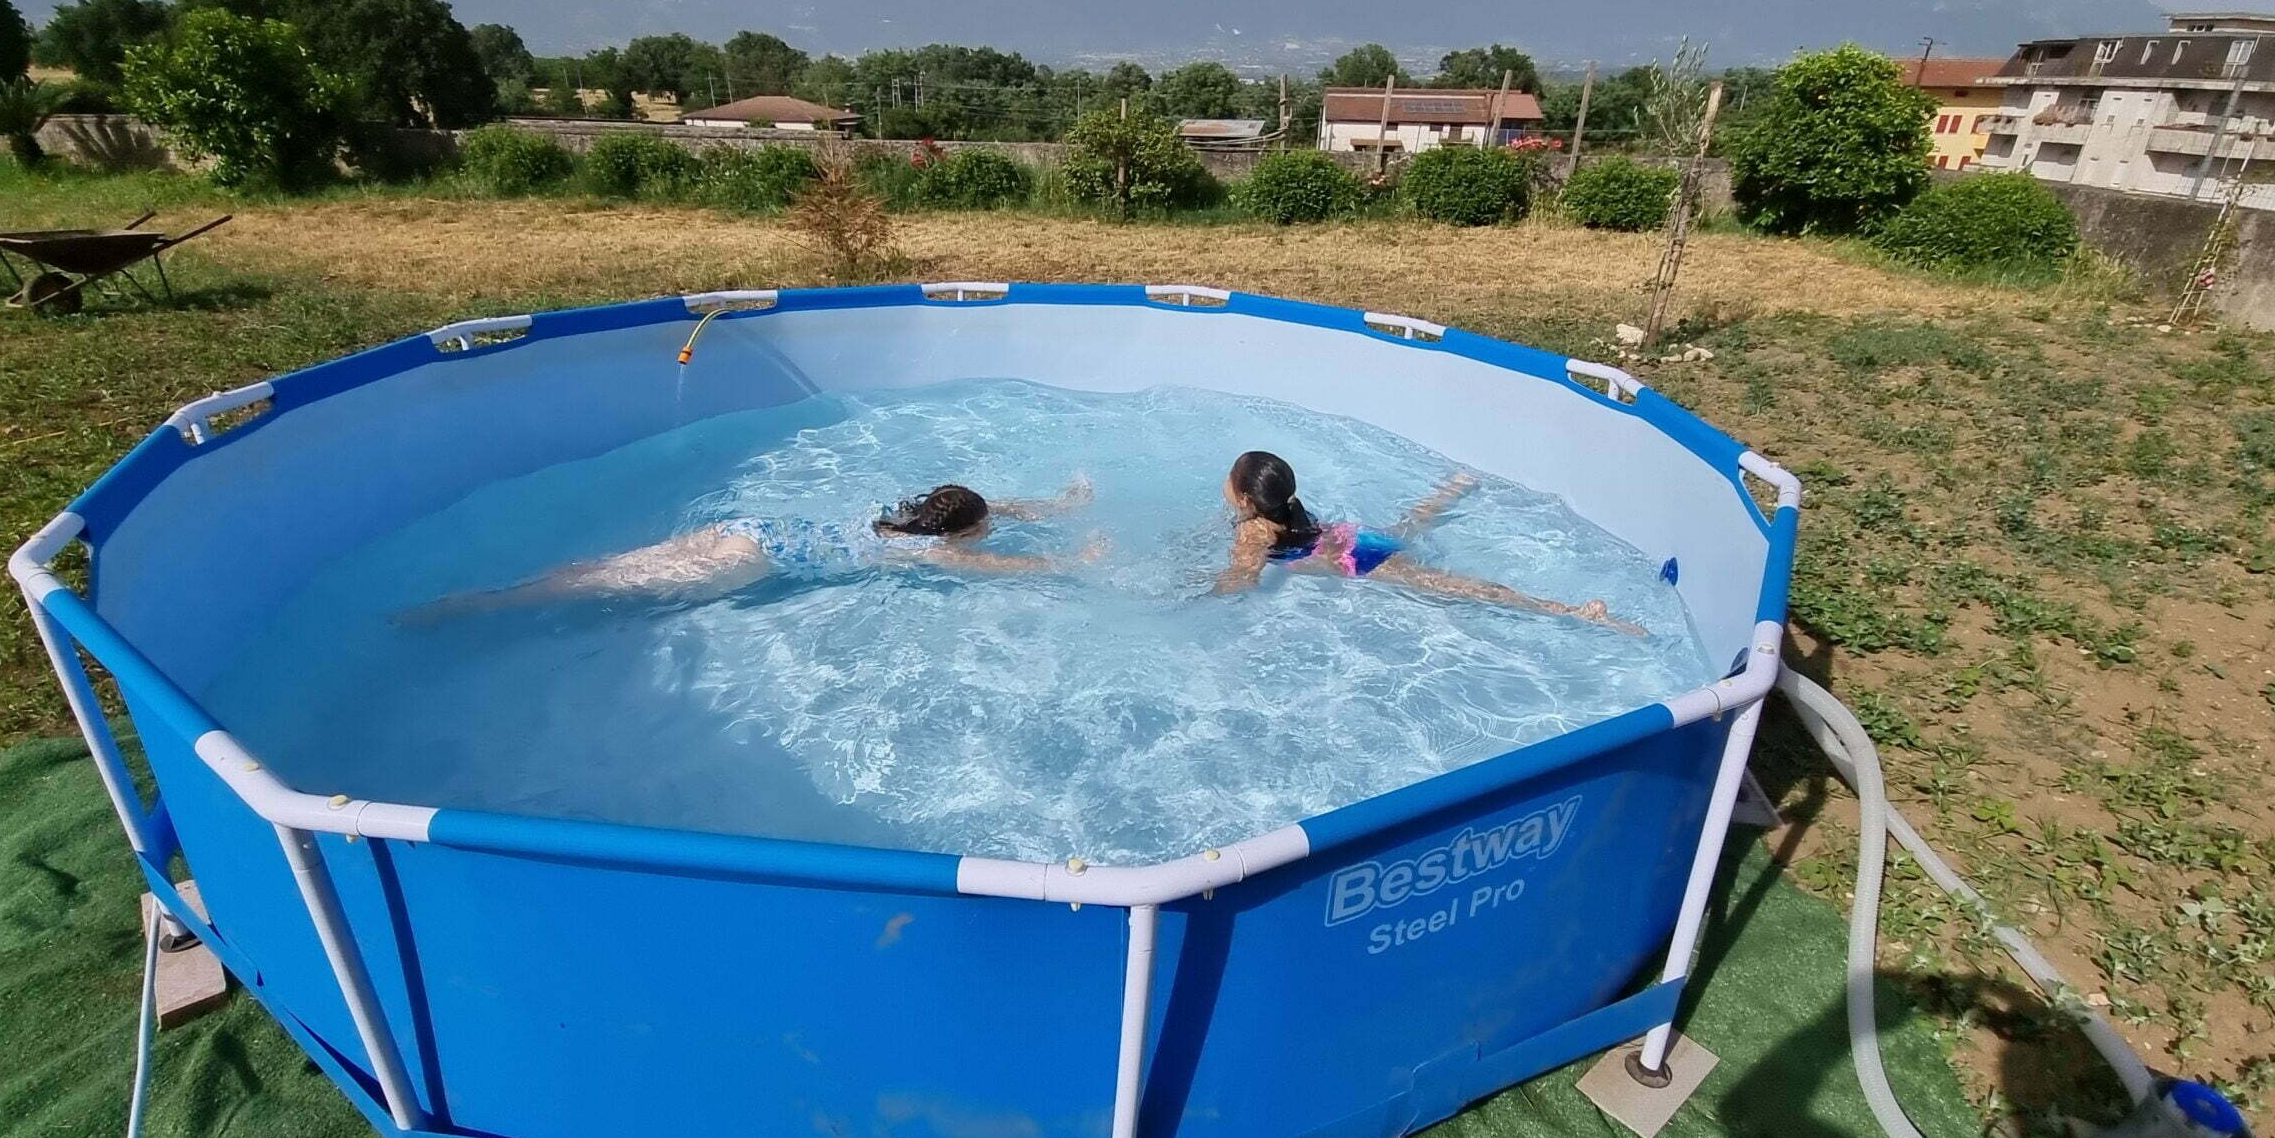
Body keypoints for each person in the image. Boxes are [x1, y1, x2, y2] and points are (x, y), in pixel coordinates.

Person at [407, 478, 1097, 619]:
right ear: (960, 532)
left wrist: (1054, 506)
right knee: (600, 589)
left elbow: (981, 503)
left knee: (613, 567)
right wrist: (1070, 560)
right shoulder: (928, 554)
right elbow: (998, 568)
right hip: (747, 562)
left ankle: (498, 592)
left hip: (751, 527)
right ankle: (474, 608)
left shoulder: (900, 518)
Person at [1210, 451, 1642, 634]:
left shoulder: (1253, 530)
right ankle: (1450, 491)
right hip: (1351, 538)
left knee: (1448, 585)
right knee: (1405, 531)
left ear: (1246, 499)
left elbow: (1240, 583)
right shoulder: (1290, 506)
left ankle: (1569, 611)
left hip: (1353, 561)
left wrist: (1201, 594)